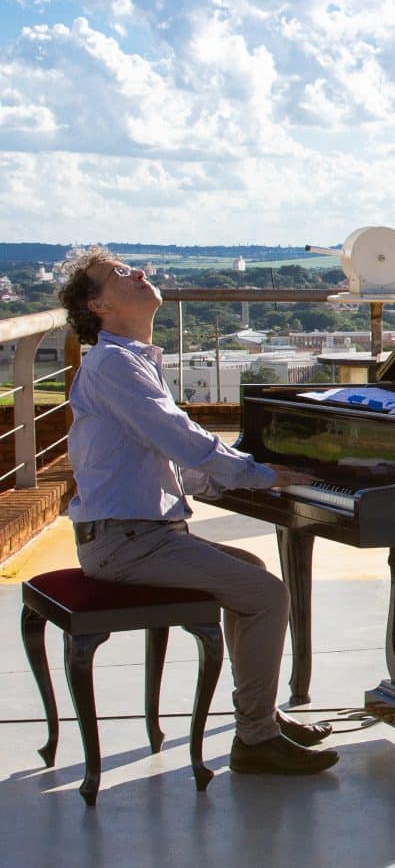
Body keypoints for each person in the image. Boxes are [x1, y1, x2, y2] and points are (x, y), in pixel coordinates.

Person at [58, 247, 339, 776]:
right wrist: (256, 474)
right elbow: (181, 438)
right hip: (124, 542)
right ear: (98, 305)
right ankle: (254, 740)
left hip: (140, 535)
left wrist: (255, 481)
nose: (138, 272)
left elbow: (178, 463)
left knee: (251, 575)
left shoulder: (133, 361)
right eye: (119, 274)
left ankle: (263, 717)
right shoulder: (115, 364)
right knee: (265, 594)